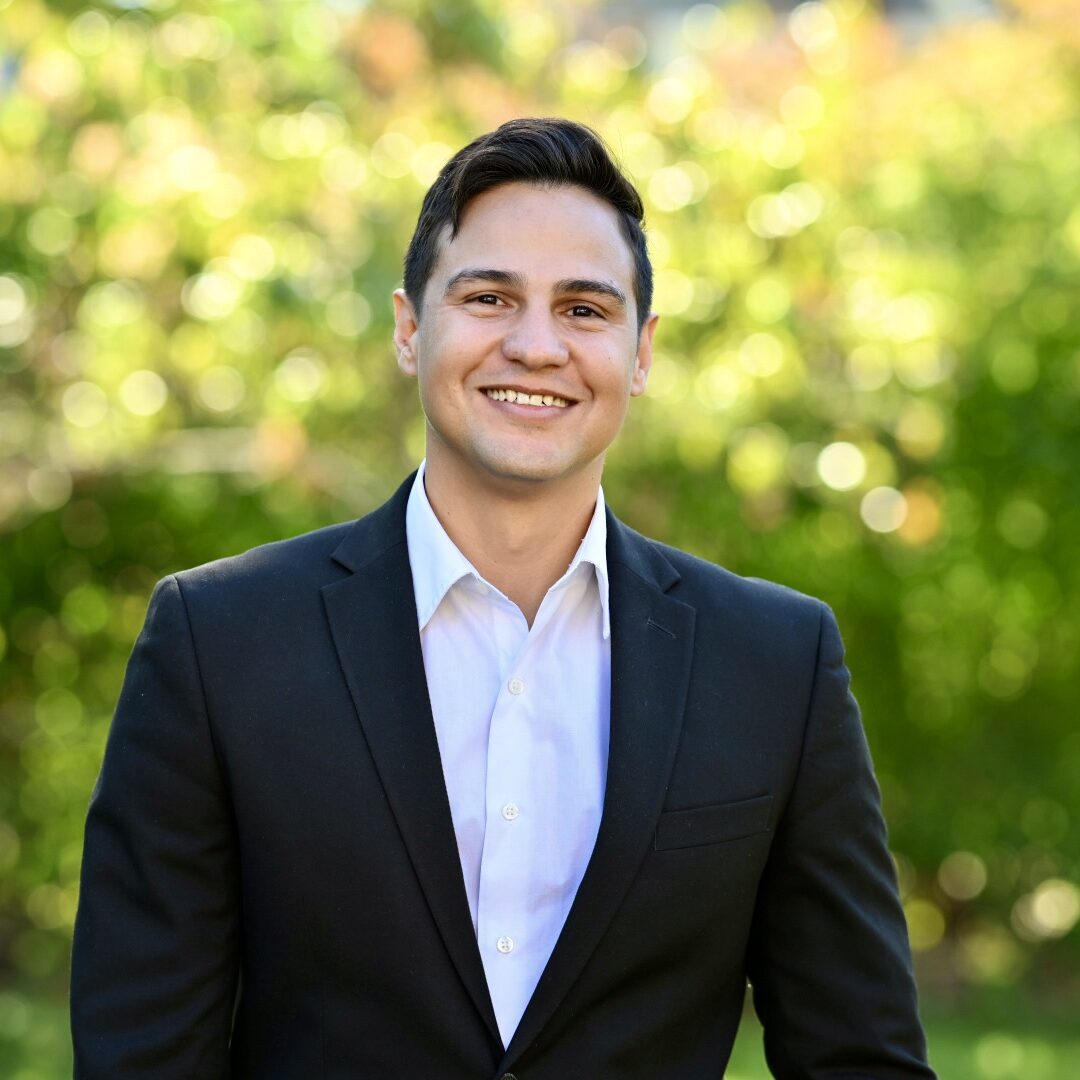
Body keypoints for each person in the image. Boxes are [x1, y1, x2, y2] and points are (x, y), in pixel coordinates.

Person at [71, 117, 935, 1079]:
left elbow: (861, 1058)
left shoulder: (778, 662)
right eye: (489, 297)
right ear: (409, 329)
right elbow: (140, 1058)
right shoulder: (217, 642)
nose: (535, 346)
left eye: (584, 309)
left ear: (641, 354)